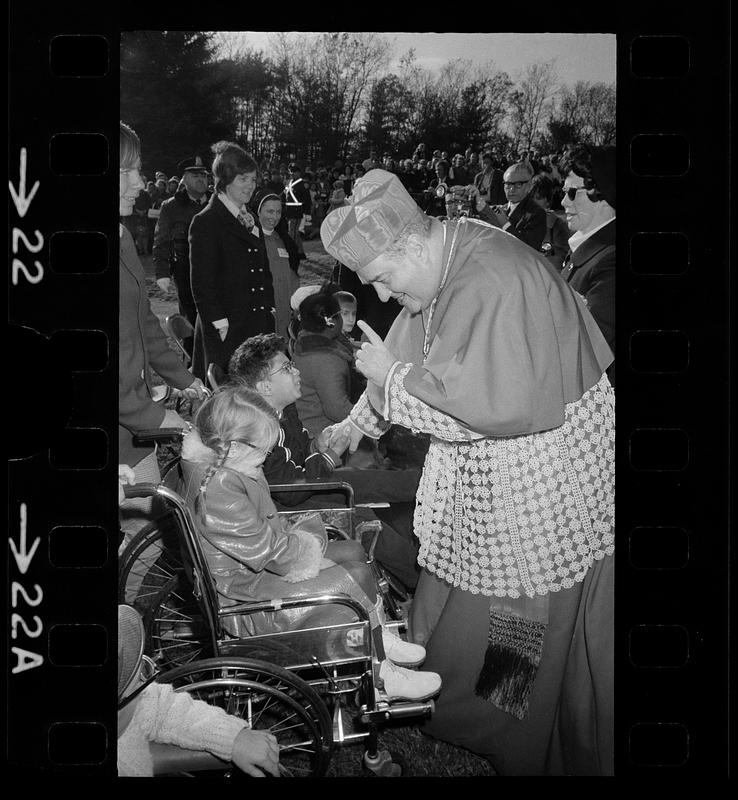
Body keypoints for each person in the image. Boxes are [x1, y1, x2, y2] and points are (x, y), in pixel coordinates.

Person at [320, 168, 615, 776]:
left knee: (518, 611)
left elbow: (494, 411)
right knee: (454, 581)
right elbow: (411, 345)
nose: (380, 294)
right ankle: (432, 682)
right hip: (495, 468)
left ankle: (503, 724)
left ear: (407, 244)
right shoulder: (444, 256)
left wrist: (393, 383)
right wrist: (358, 424)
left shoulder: (495, 277)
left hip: (541, 479)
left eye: (382, 278)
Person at [178, 385, 442, 701]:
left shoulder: (225, 467)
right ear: (232, 447)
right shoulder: (220, 487)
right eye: (263, 451)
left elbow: (261, 535)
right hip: (243, 596)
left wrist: (310, 548)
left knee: (353, 551)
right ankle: (381, 672)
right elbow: (270, 553)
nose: (266, 457)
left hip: (252, 572)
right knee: (356, 573)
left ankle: (378, 638)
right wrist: (314, 556)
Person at [228, 333, 421, 592]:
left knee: (387, 482)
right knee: (364, 518)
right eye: (286, 368)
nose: (296, 371)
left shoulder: (285, 411)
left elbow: (295, 455)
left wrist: (317, 446)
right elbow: (287, 488)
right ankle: (420, 583)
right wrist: (328, 457)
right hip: (292, 501)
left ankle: (433, 486)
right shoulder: (261, 427)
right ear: (265, 387)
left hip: (312, 482)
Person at [118, 121, 208, 552]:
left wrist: (184, 378)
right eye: (126, 171)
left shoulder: (119, 236)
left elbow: (144, 323)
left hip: (133, 424)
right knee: (142, 547)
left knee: (150, 536)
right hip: (125, 422)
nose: (139, 181)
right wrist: (152, 418)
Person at [117, 604, 280, 777]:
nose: (147, 687)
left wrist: (231, 737)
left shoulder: (135, 706)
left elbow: (159, 707)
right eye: (139, 680)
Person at [189, 141, 276, 382]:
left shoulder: (248, 217)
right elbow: (202, 284)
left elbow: (262, 267)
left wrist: (269, 304)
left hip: (254, 322)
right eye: (243, 179)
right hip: (227, 327)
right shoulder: (206, 221)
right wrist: (219, 323)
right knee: (230, 400)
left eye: (253, 179)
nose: (250, 186)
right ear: (225, 181)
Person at [559, 144, 616, 386]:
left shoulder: (610, 260)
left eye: (572, 193)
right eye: (563, 191)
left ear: (603, 193)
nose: (563, 201)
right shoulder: (588, 249)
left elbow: (589, 346)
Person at [152, 155, 211, 357]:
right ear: (184, 179)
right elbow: (162, 240)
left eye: (203, 175)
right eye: (195, 175)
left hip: (216, 269)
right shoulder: (171, 206)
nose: (201, 179)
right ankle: (193, 365)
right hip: (185, 270)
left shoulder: (216, 202)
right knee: (192, 321)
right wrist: (162, 273)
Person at [291, 286, 358, 440]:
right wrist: (372, 420)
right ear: (332, 322)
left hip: (310, 425)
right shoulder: (326, 360)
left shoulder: (305, 342)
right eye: (341, 315)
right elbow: (337, 410)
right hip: (321, 434)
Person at [253, 192, 300, 341]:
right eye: (269, 211)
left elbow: (292, 275)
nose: (274, 217)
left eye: (278, 212)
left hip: (285, 310)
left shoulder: (283, 240)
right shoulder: (250, 241)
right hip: (263, 311)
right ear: (258, 212)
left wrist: (295, 304)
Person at [473, 160, 547, 251]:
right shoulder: (500, 209)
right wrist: (473, 199)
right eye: (508, 184)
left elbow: (528, 250)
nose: (511, 189)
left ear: (530, 185)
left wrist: (506, 225)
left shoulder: (536, 214)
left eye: (518, 184)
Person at [530, 173, 570, 271]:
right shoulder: (522, 222)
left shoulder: (558, 227)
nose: (533, 202)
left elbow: (560, 264)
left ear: (548, 201)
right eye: (531, 198)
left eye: (538, 198)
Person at [282, 163, 311, 259]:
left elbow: (307, 199)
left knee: (292, 232)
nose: (292, 174)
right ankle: (300, 252)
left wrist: (307, 213)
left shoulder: (303, 184)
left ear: (299, 173)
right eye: (291, 172)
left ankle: (292, 252)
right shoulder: (288, 183)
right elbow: (285, 195)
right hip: (289, 210)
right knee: (295, 233)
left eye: (294, 172)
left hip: (297, 211)